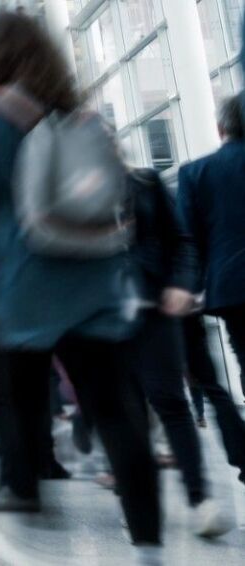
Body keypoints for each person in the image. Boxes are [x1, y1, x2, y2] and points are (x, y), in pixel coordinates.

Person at [0, 13, 160, 554]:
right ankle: (148, 536)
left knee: (15, 399)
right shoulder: (77, 112)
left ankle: (20, 492)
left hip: (27, 282)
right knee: (115, 411)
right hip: (95, 275)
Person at [124, 166, 233, 538]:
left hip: (155, 306)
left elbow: (181, 240)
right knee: (126, 411)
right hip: (100, 314)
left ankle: (200, 497)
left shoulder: (144, 183)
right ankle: (140, 502)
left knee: (170, 401)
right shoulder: (67, 192)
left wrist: (181, 284)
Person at [178, 93, 245, 490]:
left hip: (233, 288)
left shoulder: (196, 173)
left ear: (222, 128)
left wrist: (192, 290)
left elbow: (191, 239)